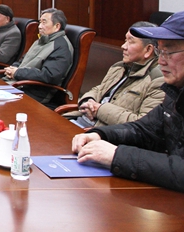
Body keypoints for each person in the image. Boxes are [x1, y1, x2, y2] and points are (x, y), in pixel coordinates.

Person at [72, 11, 184, 192]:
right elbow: (143, 130)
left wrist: (117, 156)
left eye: (168, 52)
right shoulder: (175, 92)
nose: (161, 61)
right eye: (160, 52)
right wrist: (100, 134)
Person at [66, 21, 164, 128]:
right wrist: (88, 101)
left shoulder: (158, 81)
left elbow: (142, 125)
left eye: (131, 42)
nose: (123, 46)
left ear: (148, 49)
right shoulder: (119, 67)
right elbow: (99, 89)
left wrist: (100, 110)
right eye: (125, 40)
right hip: (79, 119)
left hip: (99, 132)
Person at [2, 8, 73, 108]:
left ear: (57, 26)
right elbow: (23, 60)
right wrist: (12, 69)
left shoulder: (61, 47)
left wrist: (17, 73)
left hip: (33, 92)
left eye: (44, 22)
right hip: (18, 83)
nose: (39, 26)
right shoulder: (41, 40)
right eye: (40, 22)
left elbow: (49, 76)